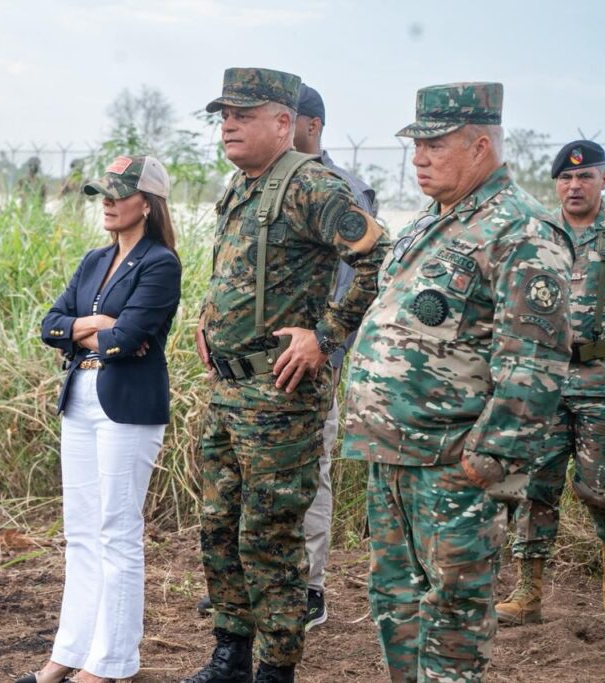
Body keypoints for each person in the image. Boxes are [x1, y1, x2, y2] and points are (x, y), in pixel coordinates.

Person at [342, 83, 574, 681]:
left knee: (452, 615)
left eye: (433, 145)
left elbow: (537, 361)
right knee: (394, 603)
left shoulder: (521, 230)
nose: (418, 157)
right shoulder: (430, 222)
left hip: (452, 463)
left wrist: (488, 459)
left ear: (479, 145)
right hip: (393, 456)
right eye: (415, 144)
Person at [185, 67, 389, 683]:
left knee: (268, 534)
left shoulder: (312, 186)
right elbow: (239, 271)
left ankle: (276, 668)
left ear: (282, 122)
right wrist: (206, 316)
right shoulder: (242, 185)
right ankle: (231, 654)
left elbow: (382, 257)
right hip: (229, 389)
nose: (227, 125)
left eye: (242, 114)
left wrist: (325, 338)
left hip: (280, 395)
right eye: (223, 114)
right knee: (220, 526)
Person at [20, 155, 182, 683]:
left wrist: (90, 331)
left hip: (128, 406)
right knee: (81, 533)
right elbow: (49, 325)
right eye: (103, 194)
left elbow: (128, 337)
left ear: (147, 202)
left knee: (116, 531)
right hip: (81, 400)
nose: (108, 203)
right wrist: (96, 325)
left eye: (119, 193)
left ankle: (111, 663)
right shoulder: (95, 260)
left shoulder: (161, 263)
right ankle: (69, 653)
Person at [497, 140, 605, 625]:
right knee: (534, 485)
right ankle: (528, 592)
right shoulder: (533, 234)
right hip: (541, 382)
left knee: (602, 489)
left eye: (584, 176)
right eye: (566, 178)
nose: (574, 185)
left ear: (603, 181)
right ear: (556, 183)